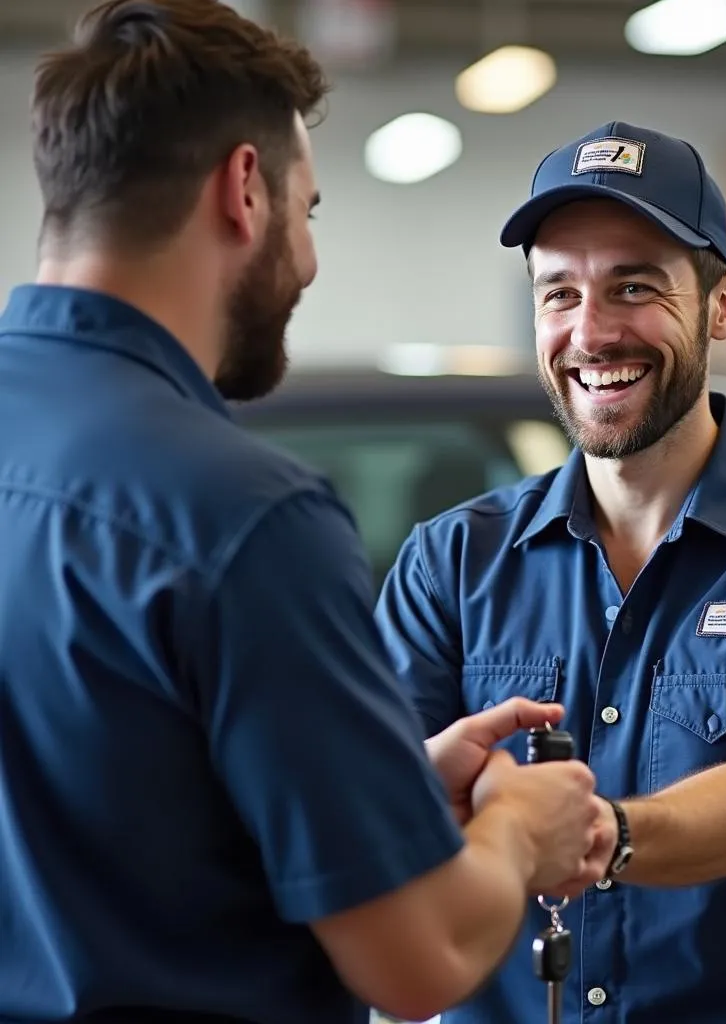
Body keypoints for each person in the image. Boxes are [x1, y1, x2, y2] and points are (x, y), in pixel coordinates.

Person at [0, 3, 615, 1022]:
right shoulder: (242, 516)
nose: (310, 259)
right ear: (244, 189)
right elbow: (416, 961)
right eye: (310, 209)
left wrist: (383, 793)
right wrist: (516, 825)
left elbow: (112, 804)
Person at [375, 121, 726, 1024]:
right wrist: (408, 793)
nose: (590, 332)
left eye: (634, 287)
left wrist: (590, 834)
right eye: (559, 294)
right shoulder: (450, 563)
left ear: (724, 306)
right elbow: (375, 831)